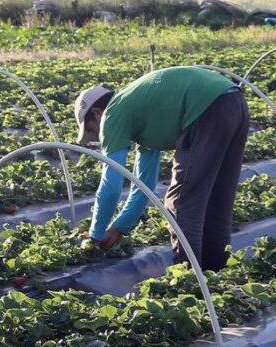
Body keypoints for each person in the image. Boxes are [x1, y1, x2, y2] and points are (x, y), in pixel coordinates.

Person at [74, 66, 250, 271]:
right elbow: (144, 186)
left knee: (181, 203)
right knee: (217, 199)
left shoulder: (113, 113)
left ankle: (189, 278)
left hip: (206, 107)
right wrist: (119, 226)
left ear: (97, 113)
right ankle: (215, 273)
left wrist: (95, 235)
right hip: (233, 100)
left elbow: (111, 185)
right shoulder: (140, 111)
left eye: (91, 130)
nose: (97, 137)